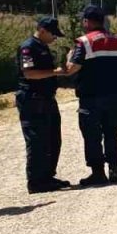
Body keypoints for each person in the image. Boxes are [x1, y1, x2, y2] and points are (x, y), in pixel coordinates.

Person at [63, 6, 117, 186]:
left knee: (92, 135)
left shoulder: (84, 42)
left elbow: (71, 69)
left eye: (84, 20)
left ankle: (98, 173)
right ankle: (114, 169)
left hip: (91, 97)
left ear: (87, 22)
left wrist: (69, 57)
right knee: (112, 132)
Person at [16, 17, 71, 193]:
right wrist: (55, 72)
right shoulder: (28, 47)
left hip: (46, 98)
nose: (55, 38)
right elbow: (29, 74)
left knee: (53, 139)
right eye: (53, 34)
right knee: (37, 140)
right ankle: (36, 182)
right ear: (42, 30)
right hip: (32, 99)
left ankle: (47, 177)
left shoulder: (42, 46)